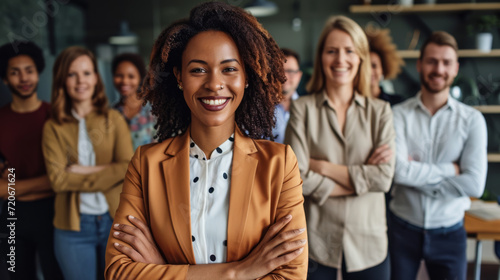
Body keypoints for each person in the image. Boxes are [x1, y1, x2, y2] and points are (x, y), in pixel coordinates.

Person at [105, 2, 308, 279]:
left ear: (246, 77)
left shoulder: (279, 164)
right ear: (178, 78)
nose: (214, 83)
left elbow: (290, 276)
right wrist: (239, 272)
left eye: (229, 69)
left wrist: (164, 268)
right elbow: (119, 272)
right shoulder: (145, 164)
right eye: (198, 70)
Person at [284, 15, 395, 279]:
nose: (340, 60)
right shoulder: (303, 109)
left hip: (369, 243)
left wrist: (322, 167)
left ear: (360, 58)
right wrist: (359, 181)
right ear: (321, 57)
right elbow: (295, 177)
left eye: (349, 51)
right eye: (331, 51)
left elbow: (384, 178)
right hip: (316, 241)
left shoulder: (380, 112)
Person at [389, 31, 487, 280]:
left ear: (455, 68)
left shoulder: (472, 120)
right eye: (432, 61)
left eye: (446, 62)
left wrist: (416, 179)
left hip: (450, 233)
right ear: (420, 65)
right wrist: (451, 170)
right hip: (401, 229)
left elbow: (474, 184)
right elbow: (399, 172)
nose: (438, 69)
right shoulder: (396, 115)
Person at [42, 46, 133, 280]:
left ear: (95, 77)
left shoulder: (113, 119)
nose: (80, 80)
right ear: (62, 79)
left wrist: (84, 171)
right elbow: (59, 181)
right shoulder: (53, 127)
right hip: (72, 228)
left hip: (115, 221)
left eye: (86, 73)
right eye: (72, 74)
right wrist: (108, 172)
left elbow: (128, 167)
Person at [0, 40, 63, 280]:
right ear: (5, 80)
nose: (23, 78)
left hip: (53, 213)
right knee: (17, 274)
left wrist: (11, 188)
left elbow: (62, 179)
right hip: (14, 215)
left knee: (55, 274)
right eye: (15, 72)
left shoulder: (55, 117)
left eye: (29, 70)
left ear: (38, 73)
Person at [112, 53, 156, 151]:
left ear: (140, 78)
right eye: (119, 75)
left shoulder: (154, 111)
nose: (124, 81)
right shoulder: (111, 113)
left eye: (131, 76)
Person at [365, 25, 405, 106]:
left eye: (374, 66)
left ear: (383, 69)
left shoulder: (398, 103)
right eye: (364, 66)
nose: (369, 71)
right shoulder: (348, 103)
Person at [272, 48, 302, 144]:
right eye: (280, 71)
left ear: (299, 76)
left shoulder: (310, 108)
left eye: (290, 71)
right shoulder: (257, 110)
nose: (284, 77)